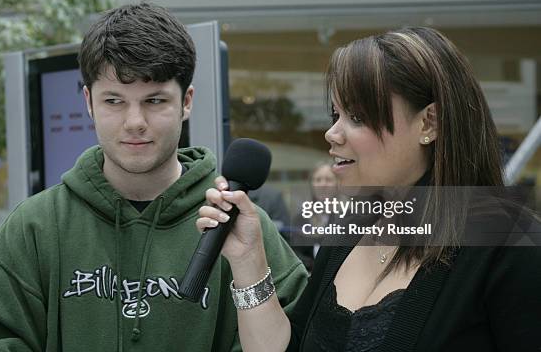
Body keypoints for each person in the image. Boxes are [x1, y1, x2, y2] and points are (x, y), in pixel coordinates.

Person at [0, 3, 308, 352]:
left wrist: (250, 271)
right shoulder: (34, 227)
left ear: (186, 102)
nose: (134, 121)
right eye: (114, 101)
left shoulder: (240, 228)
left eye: (154, 101)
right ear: (89, 102)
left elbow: (299, 340)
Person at [198, 27, 541, 351]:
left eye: (358, 117)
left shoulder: (508, 241)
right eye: (336, 114)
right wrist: (248, 263)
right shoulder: (353, 226)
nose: (332, 134)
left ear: (428, 123)